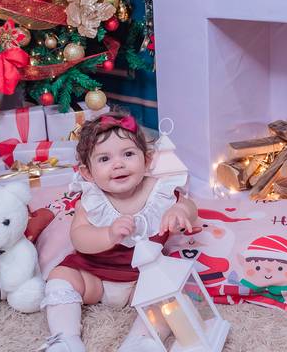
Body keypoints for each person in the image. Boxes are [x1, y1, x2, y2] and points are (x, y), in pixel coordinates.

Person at [39, 111, 197, 351]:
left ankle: (140, 341)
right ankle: (65, 338)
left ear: (147, 159)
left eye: (128, 154)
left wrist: (180, 211)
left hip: (141, 280)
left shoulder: (160, 191)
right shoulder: (92, 200)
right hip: (94, 277)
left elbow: (189, 206)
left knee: (167, 296)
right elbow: (79, 238)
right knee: (61, 276)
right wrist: (108, 235)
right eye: (104, 159)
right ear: (88, 173)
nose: (118, 164)